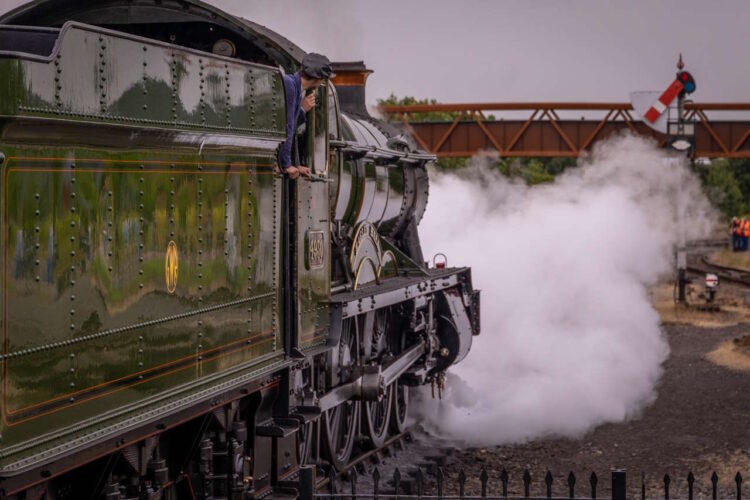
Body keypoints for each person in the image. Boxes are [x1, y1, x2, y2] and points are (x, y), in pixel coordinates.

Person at [278, 53, 335, 180]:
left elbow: (292, 133)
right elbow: (288, 126)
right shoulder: (289, 85)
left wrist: (297, 165)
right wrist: (286, 164)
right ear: (319, 78)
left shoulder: (296, 89)